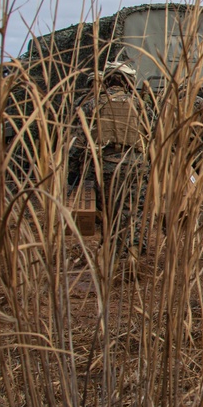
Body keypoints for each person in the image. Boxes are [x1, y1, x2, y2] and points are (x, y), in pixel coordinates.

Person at [68, 60, 155, 260]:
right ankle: (133, 254)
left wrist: (73, 175)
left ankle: (110, 256)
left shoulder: (93, 105)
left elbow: (78, 144)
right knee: (134, 211)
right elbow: (154, 134)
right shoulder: (140, 105)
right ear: (129, 81)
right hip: (136, 165)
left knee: (109, 213)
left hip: (105, 167)